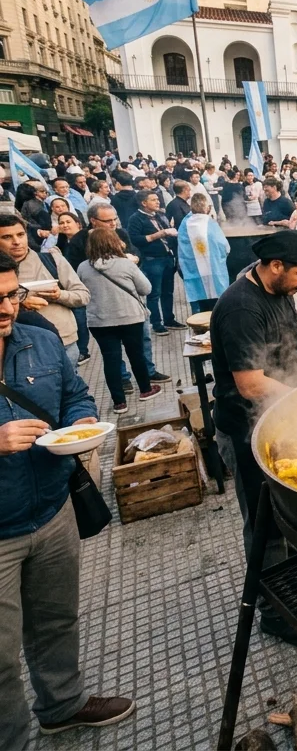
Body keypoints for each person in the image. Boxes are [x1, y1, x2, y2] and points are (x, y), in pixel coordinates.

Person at [0, 252, 135, 746]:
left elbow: (75, 392)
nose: (6, 309)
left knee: (56, 619)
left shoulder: (39, 339)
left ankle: (63, 704)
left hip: (53, 510)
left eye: (11, 295)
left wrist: (80, 420)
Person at [210, 231, 297, 643]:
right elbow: (250, 384)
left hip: (286, 416)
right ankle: (275, 613)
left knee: (296, 509)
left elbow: (294, 351)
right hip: (248, 427)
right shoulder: (241, 308)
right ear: (276, 265)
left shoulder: (277, 290)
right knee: (267, 522)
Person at [77, 229, 162, 414]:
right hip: (130, 317)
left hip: (99, 321)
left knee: (110, 360)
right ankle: (146, 390)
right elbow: (146, 289)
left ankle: (119, 402)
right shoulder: (126, 264)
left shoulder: (83, 267)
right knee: (136, 355)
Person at [0, 215, 89, 367]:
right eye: (7, 237)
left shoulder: (51, 259)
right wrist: (19, 301)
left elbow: (83, 295)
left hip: (64, 340)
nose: (16, 242)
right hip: (18, 347)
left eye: (20, 235)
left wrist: (59, 295)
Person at [127, 189, 183, 335]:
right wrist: (159, 234)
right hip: (152, 260)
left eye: (157, 199)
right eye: (153, 199)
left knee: (168, 291)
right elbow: (135, 240)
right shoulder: (136, 218)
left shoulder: (160, 215)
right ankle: (156, 323)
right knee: (154, 293)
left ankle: (169, 319)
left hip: (167, 257)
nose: (157, 201)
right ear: (143, 203)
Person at [177, 194, 231, 314]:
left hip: (194, 270)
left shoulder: (185, 223)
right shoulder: (209, 222)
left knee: (201, 306)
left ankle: (200, 328)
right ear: (206, 207)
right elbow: (223, 245)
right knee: (216, 305)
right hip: (214, 270)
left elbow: (182, 246)